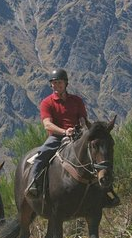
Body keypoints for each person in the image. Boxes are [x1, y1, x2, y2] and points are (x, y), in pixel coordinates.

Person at [25, 68, 120, 207]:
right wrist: (64, 132)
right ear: (51, 85)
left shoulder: (76, 100)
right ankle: (33, 184)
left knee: (96, 154)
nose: (57, 86)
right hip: (57, 137)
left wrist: (83, 129)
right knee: (42, 154)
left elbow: (82, 118)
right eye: (54, 83)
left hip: (77, 134)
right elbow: (47, 125)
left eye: (60, 83)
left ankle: (107, 190)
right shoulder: (47, 103)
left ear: (66, 83)